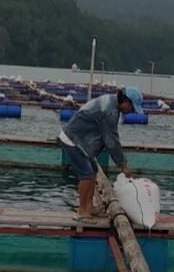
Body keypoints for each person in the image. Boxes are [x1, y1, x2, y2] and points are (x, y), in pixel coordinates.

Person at [58, 86, 144, 221]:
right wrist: (123, 165)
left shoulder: (112, 102)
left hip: (81, 140)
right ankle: (81, 211)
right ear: (126, 102)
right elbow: (111, 141)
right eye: (132, 107)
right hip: (72, 139)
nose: (132, 111)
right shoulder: (110, 112)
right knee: (86, 175)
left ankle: (89, 207)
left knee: (92, 171)